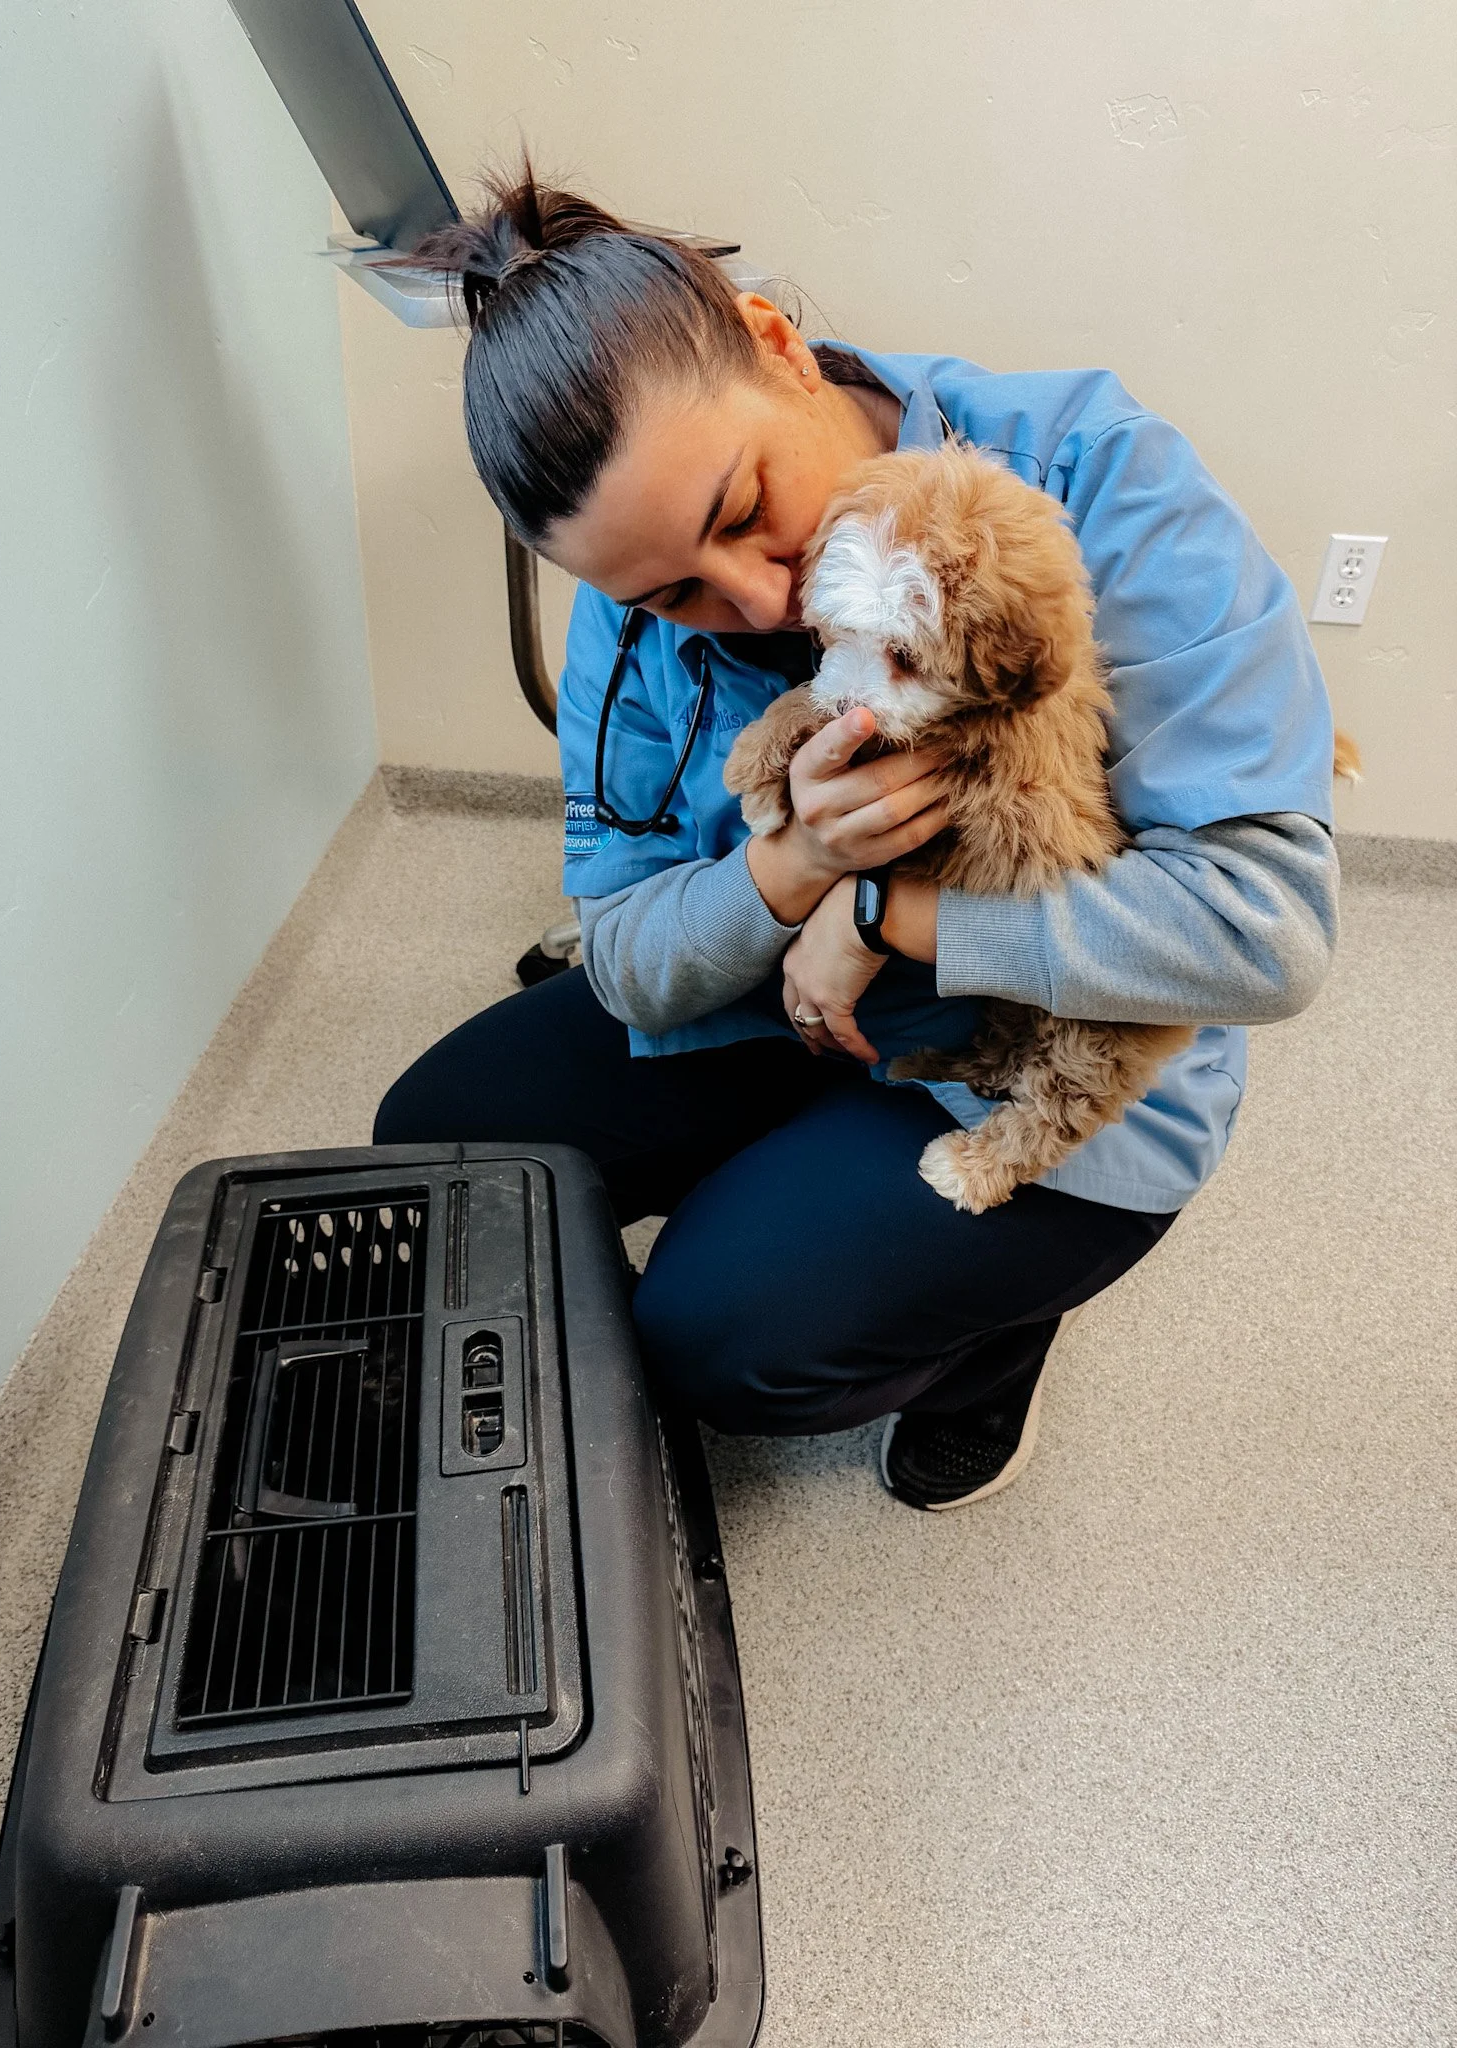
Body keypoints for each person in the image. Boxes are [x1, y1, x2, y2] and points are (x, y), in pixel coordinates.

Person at [374, 172, 1340, 1511]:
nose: (759, 597)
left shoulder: (1093, 477)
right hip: (793, 990)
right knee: (438, 1142)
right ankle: (809, 1176)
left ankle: (985, 1347)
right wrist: (795, 868)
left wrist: (888, 920)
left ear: (774, 341)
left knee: (716, 1342)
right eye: (668, 593)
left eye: (743, 508)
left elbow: (1267, 930)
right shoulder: (636, 606)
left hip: (1053, 1046)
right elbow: (627, 954)